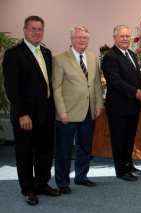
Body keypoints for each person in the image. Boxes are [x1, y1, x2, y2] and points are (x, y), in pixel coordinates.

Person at [2, 15, 60, 206]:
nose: (36, 32)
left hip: (45, 113)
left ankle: (42, 184)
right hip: (25, 116)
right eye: (32, 29)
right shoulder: (14, 53)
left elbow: (46, 84)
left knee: (44, 151)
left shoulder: (46, 52)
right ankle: (28, 189)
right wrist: (21, 114)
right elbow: (12, 88)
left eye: (39, 29)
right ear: (25, 30)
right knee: (25, 153)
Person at [52, 26, 104, 194]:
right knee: (64, 150)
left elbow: (96, 83)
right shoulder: (60, 59)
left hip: (88, 112)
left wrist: (98, 105)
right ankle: (62, 182)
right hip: (68, 113)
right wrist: (61, 111)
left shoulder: (92, 57)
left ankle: (81, 177)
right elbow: (56, 88)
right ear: (71, 39)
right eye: (79, 37)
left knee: (85, 148)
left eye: (85, 38)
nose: (82, 40)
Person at [101, 25, 141, 181]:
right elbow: (115, 81)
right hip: (119, 107)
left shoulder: (131, 54)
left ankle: (128, 164)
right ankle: (121, 170)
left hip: (132, 107)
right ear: (114, 37)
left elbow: (134, 73)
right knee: (119, 140)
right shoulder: (110, 56)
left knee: (129, 138)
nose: (125, 39)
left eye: (127, 36)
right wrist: (136, 92)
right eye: (121, 36)